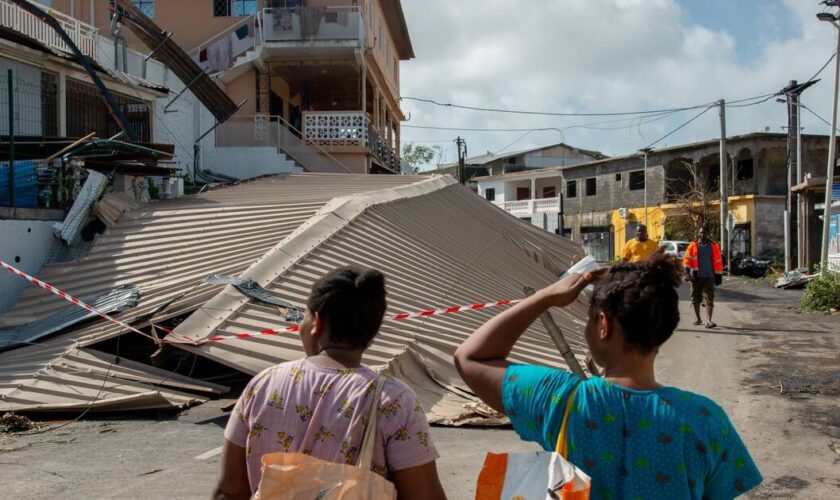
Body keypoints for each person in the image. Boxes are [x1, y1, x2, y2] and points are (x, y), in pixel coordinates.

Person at [454, 254, 762, 499]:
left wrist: (545, 298)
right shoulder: (706, 417)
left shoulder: (561, 400)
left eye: (590, 320)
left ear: (603, 325)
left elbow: (471, 357)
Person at [212, 266, 446, 500]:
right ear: (371, 330)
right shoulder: (392, 400)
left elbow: (230, 490)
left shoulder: (264, 384)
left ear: (317, 323)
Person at [684, 225, 724, 328]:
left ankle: (708, 321)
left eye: (704, 233)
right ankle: (698, 319)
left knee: (709, 298)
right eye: (700, 233)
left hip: (709, 277)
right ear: (698, 233)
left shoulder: (714, 246)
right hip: (695, 276)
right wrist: (687, 272)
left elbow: (718, 262)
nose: (702, 235)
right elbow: (687, 260)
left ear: (708, 234)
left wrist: (719, 276)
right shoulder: (693, 245)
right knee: (695, 299)